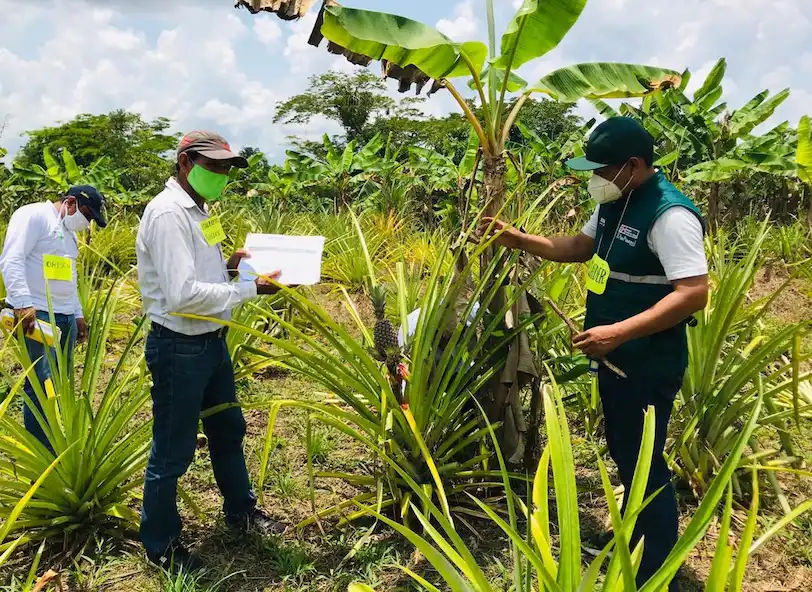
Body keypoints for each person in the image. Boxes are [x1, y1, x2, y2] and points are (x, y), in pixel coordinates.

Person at [479, 117, 708, 590]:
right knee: (626, 451)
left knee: (644, 462)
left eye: (602, 169)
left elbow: (693, 293)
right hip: (616, 356)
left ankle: (654, 571)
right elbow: (581, 246)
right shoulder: (614, 201)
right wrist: (520, 239)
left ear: (633, 165)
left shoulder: (670, 216)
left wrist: (619, 332)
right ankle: (635, 543)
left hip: (646, 359)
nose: (595, 179)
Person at [136, 131, 286, 573]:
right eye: (214, 166)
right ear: (185, 163)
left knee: (228, 430)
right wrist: (250, 289)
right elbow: (182, 294)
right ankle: (161, 546)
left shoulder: (200, 209)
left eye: (225, 168)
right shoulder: (169, 214)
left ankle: (241, 511)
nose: (221, 174)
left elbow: (200, 274)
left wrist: (230, 267)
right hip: (179, 346)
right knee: (173, 449)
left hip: (211, 341)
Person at [0, 186, 107, 452]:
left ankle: (56, 442)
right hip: (37, 314)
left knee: (61, 383)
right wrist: (23, 304)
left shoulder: (69, 235)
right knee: (41, 382)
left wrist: (78, 314)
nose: (87, 222)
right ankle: (42, 451)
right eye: (86, 215)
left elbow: (69, 278)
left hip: (65, 317)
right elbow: (12, 259)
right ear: (70, 202)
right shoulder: (34, 215)